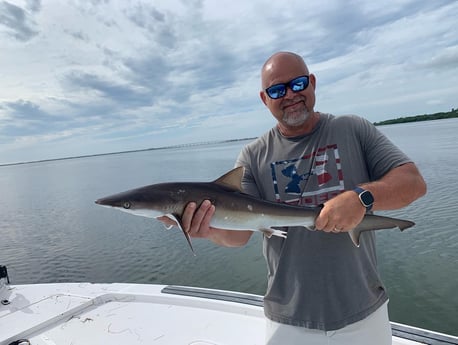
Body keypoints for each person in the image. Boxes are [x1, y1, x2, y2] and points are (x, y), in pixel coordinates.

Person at [162, 51, 427, 344]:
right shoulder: (253, 157)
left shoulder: (352, 129)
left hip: (364, 313)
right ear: (265, 99)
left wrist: (361, 197)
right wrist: (207, 228)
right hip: (288, 319)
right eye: (277, 90)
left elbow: (413, 183)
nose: (289, 95)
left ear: (312, 82)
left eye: (297, 84)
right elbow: (238, 237)